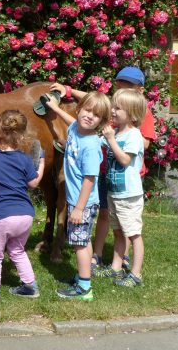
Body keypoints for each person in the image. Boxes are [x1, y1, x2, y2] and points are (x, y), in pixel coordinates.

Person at [50, 66, 156, 272]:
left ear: (140, 91)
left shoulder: (137, 117)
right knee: (108, 218)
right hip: (109, 176)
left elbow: (142, 145)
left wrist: (113, 138)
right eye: (119, 86)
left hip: (128, 182)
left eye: (128, 87)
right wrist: (69, 92)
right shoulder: (117, 113)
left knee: (128, 226)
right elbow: (96, 103)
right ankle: (100, 257)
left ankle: (128, 264)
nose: (121, 90)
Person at [45, 91, 111, 301]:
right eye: (87, 110)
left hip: (83, 202)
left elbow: (89, 180)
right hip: (76, 200)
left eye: (96, 115)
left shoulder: (91, 146)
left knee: (80, 244)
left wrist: (79, 208)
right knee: (81, 241)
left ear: (101, 121)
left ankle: (84, 288)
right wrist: (55, 108)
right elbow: (71, 121)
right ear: (79, 108)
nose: (89, 116)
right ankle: (83, 276)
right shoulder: (76, 128)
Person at [0, 110, 45, 303]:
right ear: (22, 135)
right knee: (17, 250)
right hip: (26, 215)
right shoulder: (23, 159)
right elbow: (34, 183)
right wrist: (41, 161)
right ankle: (30, 286)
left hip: (3, 216)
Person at [95, 88, 147, 287]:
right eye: (113, 107)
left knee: (134, 234)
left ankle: (135, 274)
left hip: (129, 195)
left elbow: (125, 159)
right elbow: (94, 141)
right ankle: (116, 268)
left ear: (132, 114)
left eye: (118, 108)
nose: (113, 111)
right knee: (118, 232)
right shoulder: (115, 132)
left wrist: (110, 140)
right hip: (114, 193)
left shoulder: (134, 135)